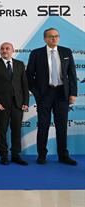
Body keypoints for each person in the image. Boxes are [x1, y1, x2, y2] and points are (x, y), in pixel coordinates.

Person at [26, 28, 78, 165]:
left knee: (62, 126)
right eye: (51, 37)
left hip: (62, 94)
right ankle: (42, 155)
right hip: (44, 95)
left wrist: (73, 93)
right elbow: (29, 76)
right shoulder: (36, 53)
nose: (54, 39)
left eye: (56, 36)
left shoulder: (66, 52)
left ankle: (63, 156)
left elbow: (72, 74)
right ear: (45, 39)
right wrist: (37, 94)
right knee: (43, 126)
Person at [0, 42, 29, 165]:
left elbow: (24, 85)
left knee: (16, 130)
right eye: (2, 48)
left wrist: (26, 102)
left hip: (18, 104)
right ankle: (4, 155)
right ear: (0, 51)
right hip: (2, 105)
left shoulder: (20, 64)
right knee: (2, 131)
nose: (4, 50)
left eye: (7, 48)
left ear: (13, 50)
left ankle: (16, 155)